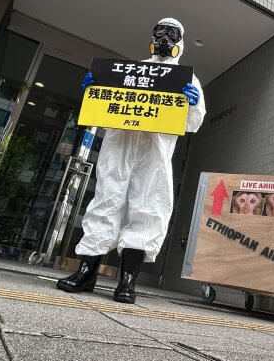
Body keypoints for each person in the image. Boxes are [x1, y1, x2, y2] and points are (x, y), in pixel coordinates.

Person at [57, 18, 206, 303]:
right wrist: (94, 90)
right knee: (105, 202)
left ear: (181, 40)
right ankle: (86, 273)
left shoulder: (187, 78)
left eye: (171, 34)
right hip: (120, 148)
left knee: (148, 208)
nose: (164, 38)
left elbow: (193, 122)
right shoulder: (130, 70)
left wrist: (193, 102)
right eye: (159, 32)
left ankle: (127, 281)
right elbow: (103, 107)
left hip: (153, 154)